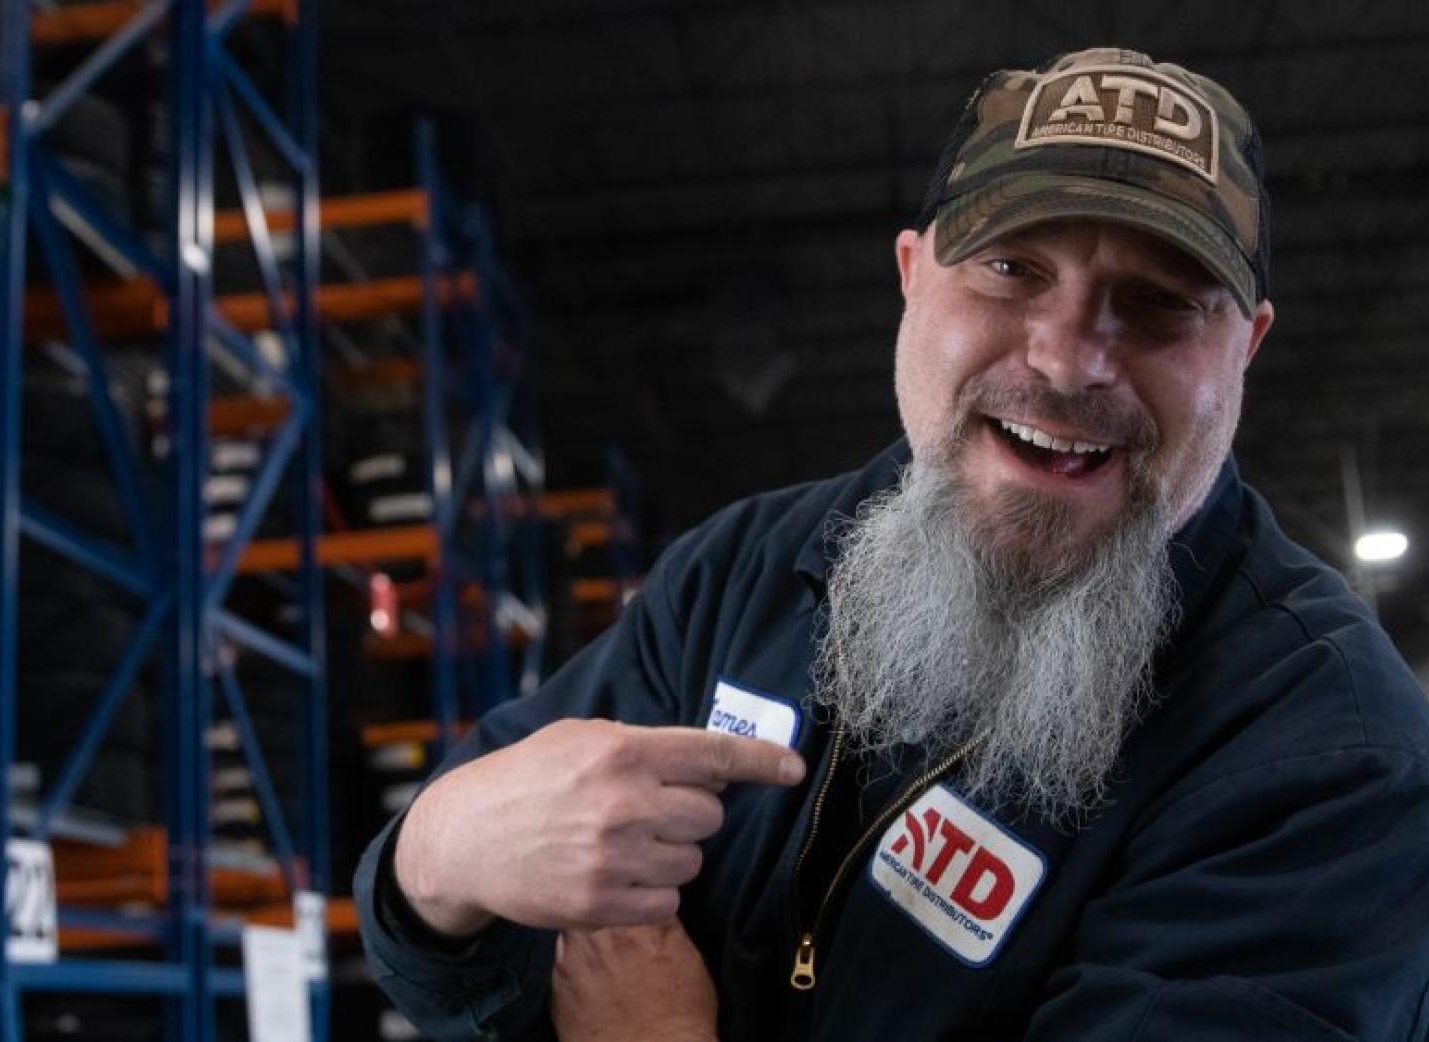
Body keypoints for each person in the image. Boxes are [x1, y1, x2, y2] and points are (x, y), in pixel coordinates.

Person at [354, 47, 1429, 1040]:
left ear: (1247, 347)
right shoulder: (747, 568)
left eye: (1156, 304)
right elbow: (459, 931)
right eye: (1009, 267)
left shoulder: (1325, 762)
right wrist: (435, 853)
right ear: (913, 274)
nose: (1067, 359)